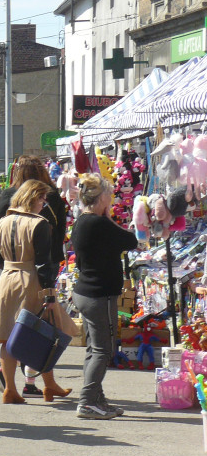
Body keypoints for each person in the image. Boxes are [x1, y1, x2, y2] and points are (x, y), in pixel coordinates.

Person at [0, 179, 73, 404]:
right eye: (41, 199)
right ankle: (49, 384)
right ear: (31, 198)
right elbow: (44, 263)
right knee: (42, 333)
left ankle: (11, 389)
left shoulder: (1, 222)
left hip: (6, 280)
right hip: (29, 280)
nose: (43, 204)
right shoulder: (39, 224)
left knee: (8, 335)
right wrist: (50, 293)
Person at [70, 173, 138, 418]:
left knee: (93, 348)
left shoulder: (82, 221)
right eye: (108, 193)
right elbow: (131, 240)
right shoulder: (99, 223)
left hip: (86, 292)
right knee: (103, 350)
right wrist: (109, 218)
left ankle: (97, 398)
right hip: (98, 294)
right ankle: (87, 402)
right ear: (100, 198)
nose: (111, 197)